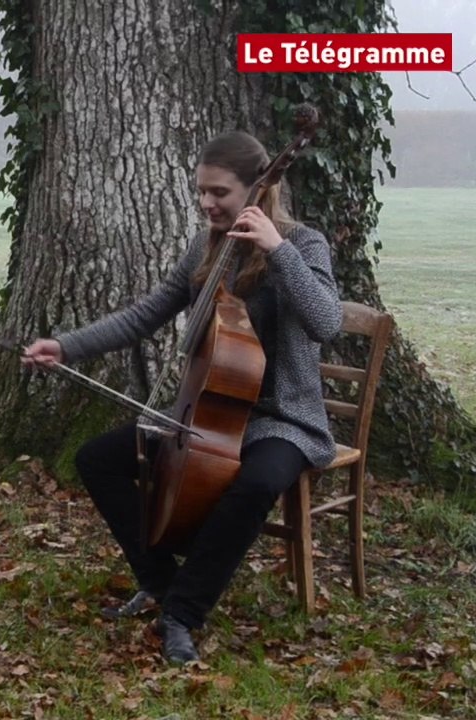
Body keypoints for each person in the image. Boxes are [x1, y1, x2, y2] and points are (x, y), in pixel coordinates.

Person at [21, 131, 342, 663]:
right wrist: (66, 346)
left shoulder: (303, 244)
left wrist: (277, 251)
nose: (207, 204)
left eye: (220, 193)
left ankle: (182, 615)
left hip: (282, 420)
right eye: (201, 192)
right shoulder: (207, 247)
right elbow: (146, 315)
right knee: (97, 458)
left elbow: (326, 321)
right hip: (207, 411)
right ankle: (162, 582)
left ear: (257, 192)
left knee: (255, 482)